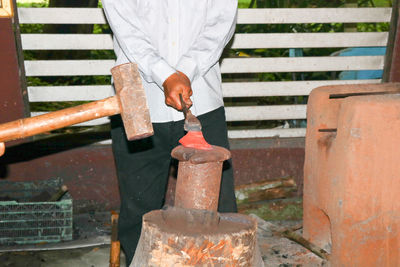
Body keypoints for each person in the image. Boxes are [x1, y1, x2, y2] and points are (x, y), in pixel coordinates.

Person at [102, 0, 238, 265]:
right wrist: (165, 75)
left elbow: (221, 22)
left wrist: (186, 71)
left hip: (203, 102)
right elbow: (127, 29)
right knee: (139, 215)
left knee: (219, 214)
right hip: (138, 103)